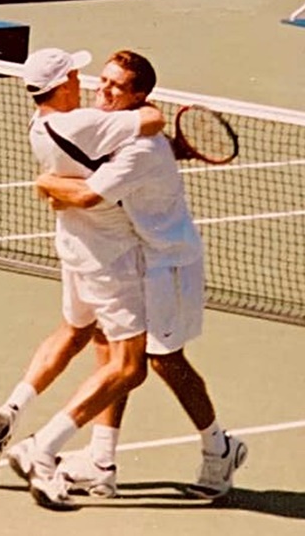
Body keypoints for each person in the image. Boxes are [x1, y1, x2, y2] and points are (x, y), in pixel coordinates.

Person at [34, 50, 246, 500]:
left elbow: (88, 196)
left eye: (116, 86)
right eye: (103, 80)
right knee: (109, 349)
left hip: (168, 263)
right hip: (136, 257)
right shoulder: (111, 125)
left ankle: (219, 450)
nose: (103, 90)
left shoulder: (142, 149)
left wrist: (47, 184)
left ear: (139, 96)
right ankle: (101, 459)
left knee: (164, 361)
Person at [0, 47, 165, 510]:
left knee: (75, 331)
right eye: (74, 74)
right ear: (60, 85)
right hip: (111, 259)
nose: (84, 79)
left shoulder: (43, 127)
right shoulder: (85, 124)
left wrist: (48, 185)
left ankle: (15, 407)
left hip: (72, 248)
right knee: (130, 366)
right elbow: (152, 120)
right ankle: (43, 450)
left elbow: (70, 179)